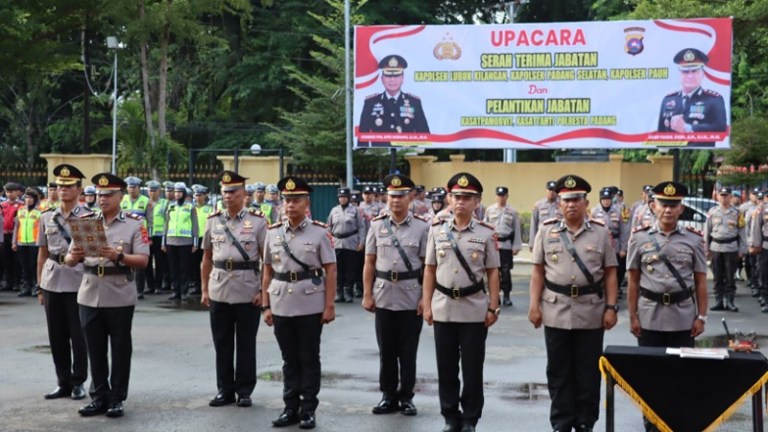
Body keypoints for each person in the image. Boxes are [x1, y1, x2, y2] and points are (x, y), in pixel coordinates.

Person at [527, 174, 618, 432]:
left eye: (577, 199)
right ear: (559, 204)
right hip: (555, 308)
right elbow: (537, 272)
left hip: (591, 309)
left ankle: (585, 421)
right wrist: (534, 306)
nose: (571, 205)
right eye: (566, 200)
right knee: (558, 369)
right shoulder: (547, 230)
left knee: (588, 370)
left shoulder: (600, 233)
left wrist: (611, 308)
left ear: (586, 202)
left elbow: (611, 273)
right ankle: (561, 421)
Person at [65, 173, 150, 418]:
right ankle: (99, 396)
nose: (102, 199)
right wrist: (75, 256)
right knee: (95, 348)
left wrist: (118, 256)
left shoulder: (134, 223)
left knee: (121, 348)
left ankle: (117, 397)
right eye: (99, 195)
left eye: (108, 195)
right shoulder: (86, 221)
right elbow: (70, 260)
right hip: (90, 292)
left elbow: (143, 260)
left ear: (120, 196)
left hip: (119, 292)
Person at [627, 181, 708, 432]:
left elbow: (700, 282)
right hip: (649, 315)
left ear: (681, 208)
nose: (668, 210)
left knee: (681, 374)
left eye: (673, 205)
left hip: (683, 316)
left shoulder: (693, 240)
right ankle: (652, 424)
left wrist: (701, 316)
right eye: (664, 205)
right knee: (650, 375)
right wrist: (632, 316)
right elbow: (633, 281)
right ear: (654, 206)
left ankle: (677, 423)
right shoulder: (639, 238)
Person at [422, 172, 501, 432]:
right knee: (445, 367)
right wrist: (427, 303)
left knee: (472, 368)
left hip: (474, 308)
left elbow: (492, 272)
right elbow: (430, 269)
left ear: (477, 201)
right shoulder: (436, 230)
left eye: (467, 198)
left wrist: (493, 306)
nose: (461, 202)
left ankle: (470, 418)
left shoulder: (487, 233)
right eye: (457, 197)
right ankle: (450, 416)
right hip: (443, 306)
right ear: (449, 199)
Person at [261, 176, 337, 430]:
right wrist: (266, 305)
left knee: (308, 357)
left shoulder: (320, 232)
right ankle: (290, 407)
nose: (290, 205)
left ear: (306, 203)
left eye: (296, 200)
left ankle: (308, 409)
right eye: (286, 200)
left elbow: (331, 270)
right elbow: (267, 272)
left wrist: (329, 306)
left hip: (310, 304)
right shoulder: (272, 233)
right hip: (281, 301)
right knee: (289, 359)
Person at [362, 174, 429, 417]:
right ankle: (388, 395)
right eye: (392, 196)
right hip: (383, 295)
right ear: (386, 198)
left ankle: (407, 397)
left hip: (411, 296)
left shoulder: (422, 227)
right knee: (386, 350)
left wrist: (425, 298)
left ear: (410, 197)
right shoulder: (377, 225)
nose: (396, 200)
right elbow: (369, 262)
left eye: (401, 195)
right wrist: (367, 294)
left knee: (408, 351)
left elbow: (427, 266)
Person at [200, 171, 266, 408]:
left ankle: (244, 390)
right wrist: (205, 289)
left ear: (244, 194)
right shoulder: (212, 220)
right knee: (222, 341)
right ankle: (224, 389)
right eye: (225, 192)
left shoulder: (258, 222)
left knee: (246, 342)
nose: (228, 196)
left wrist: (263, 291)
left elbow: (267, 262)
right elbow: (206, 258)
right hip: (219, 287)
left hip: (247, 287)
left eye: (233, 192)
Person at [36, 164, 89, 402]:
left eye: (68, 186)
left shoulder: (89, 217)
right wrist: (39, 285)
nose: (63, 189)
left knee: (78, 336)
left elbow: (94, 253)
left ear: (79, 189)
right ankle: (63, 382)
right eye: (59, 186)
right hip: (51, 280)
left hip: (78, 282)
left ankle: (79, 382)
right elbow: (42, 254)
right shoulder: (47, 216)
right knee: (56, 336)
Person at [358, 55, 429, 147]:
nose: (392, 79)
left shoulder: (414, 102)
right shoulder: (370, 103)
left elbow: (424, 135)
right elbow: (363, 137)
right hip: (380, 155)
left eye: (396, 75)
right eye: (388, 75)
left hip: (407, 153)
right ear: (382, 79)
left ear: (402, 78)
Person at [658, 48, 727, 136]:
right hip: (674, 149)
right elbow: (661, 133)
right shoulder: (668, 100)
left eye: (694, 71)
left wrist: (687, 127)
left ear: (702, 74)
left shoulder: (714, 100)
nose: (690, 76)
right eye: (685, 72)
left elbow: (721, 128)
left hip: (700, 148)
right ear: (679, 74)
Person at [705, 187, 746, 312]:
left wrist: (742, 249)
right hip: (716, 247)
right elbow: (707, 231)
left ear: (730, 197)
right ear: (718, 197)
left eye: (726, 195)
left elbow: (742, 232)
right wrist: (706, 248)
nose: (723, 197)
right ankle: (718, 301)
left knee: (730, 276)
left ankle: (730, 301)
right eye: (721, 195)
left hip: (731, 248)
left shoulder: (737, 213)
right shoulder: (712, 212)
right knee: (717, 276)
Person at [484, 186, 522, 307]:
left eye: (503, 195)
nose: (501, 198)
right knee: (493, 271)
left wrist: (515, 246)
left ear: (507, 196)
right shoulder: (489, 210)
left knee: (505, 272)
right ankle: (495, 297)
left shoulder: (512, 211)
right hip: (493, 245)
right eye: (499, 195)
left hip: (505, 245)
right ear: (496, 196)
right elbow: (485, 228)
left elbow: (516, 229)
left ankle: (506, 296)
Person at [327, 187, 366, 303]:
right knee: (338, 269)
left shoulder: (355, 210)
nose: (342, 199)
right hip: (337, 242)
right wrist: (328, 242)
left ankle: (348, 291)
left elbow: (361, 227)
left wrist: (361, 242)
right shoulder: (334, 210)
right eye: (340, 197)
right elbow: (328, 227)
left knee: (350, 269)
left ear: (348, 198)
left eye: (344, 197)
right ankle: (339, 292)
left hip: (351, 242)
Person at [591, 188, 630, 297]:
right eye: (604, 199)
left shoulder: (619, 210)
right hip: (600, 244)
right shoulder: (594, 211)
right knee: (601, 268)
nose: (606, 201)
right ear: (600, 200)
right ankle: (603, 289)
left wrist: (623, 248)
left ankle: (615, 289)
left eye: (608, 199)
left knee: (617, 269)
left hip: (615, 244)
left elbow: (624, 230)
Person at [163, 182, 198, 301]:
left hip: (186, 241)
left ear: (183, 193)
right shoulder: (170, 206)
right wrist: (164, 242)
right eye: (176, 192)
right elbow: (166, 224)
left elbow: (195, 225)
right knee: (173, 268)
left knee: (184, 268)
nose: (177, 194)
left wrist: (195, 242)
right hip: (171, 240)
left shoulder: (190, 207)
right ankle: (175, 291)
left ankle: (184, 291)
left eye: (179, 192)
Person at [13, 187, 43, 296]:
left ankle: (36, 286)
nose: (28, 200)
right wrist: (14, 242)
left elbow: (41, 229)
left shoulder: (39, 212)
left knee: (34, 265)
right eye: (26, 198)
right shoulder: (20, 210)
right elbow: (16, 227)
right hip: (21, 242)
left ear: (35, 199)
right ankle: (26, 286)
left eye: (31, 198)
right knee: (24, 266)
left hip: (34, 243)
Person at [144, 180, 167, 294]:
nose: (152, 193)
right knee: (147, 261)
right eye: (150, 190)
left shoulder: (165, 203)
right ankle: (150, 286)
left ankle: (158, 285)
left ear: (159, 191)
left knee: (159, 261)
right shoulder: (145, 202)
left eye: (155, 190)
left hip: (159, 235)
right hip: (146, 236)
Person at [192, 185, 214, 295]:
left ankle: (208, 284)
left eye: (200, 195)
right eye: (196, 195)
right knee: (195, 264)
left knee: (207, 262)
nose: (198, 197)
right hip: (195, 238)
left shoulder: (210, 209)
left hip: (207, 239)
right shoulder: (192, 208)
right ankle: (197, 285)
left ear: (205, 196)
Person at [1, 182, 23, 291]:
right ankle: (8, 282)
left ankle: (16, 282)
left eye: (12, 192)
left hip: (16, 235)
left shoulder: (21, 205)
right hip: (4, 234)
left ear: (17, 192)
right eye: (7, 192)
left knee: (16, 260)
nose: (9, 194)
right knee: (6, 259)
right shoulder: (2, 205)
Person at [529, 180, 561, 252]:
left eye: (554, 190)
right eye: (550, 190)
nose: (552, 192)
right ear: (546, 190)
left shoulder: (562, 204)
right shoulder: (538, 205)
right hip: (542, 239)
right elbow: (533, 224)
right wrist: (532, 243)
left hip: (559, 239)